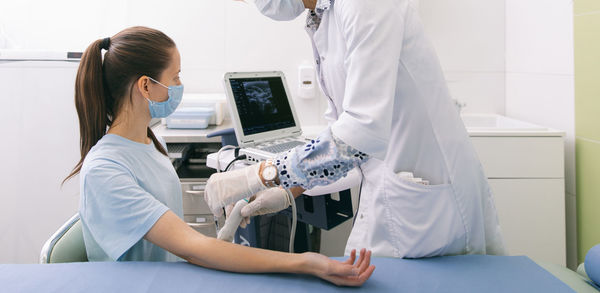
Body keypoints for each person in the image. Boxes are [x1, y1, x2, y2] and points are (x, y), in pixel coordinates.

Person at [64, 26, 375, 287]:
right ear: (146, 85)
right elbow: (193, 249)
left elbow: (183, 244)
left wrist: (231, 223)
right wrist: (306, 263)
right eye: (175, 77)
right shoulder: (106, 169)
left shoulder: (147, 143)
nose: (179, 86)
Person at [204, 0, 506, 258]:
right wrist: (288, 190)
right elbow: (343, 134)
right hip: (397, 185)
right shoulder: (324, 17)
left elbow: (362, 134)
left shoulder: (365, 4)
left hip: (428, 198)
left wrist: (262, 175)